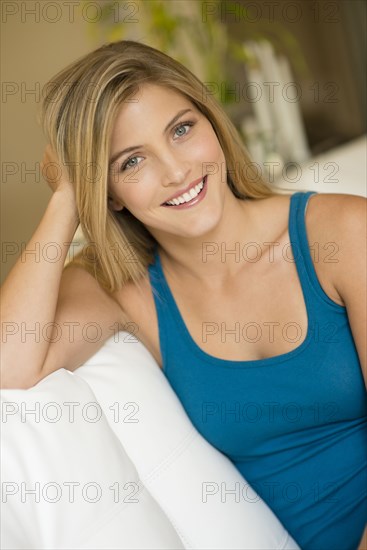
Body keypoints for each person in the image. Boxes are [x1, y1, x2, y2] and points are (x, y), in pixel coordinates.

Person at [1, 40, 366, 549]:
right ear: (107, 194)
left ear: (212, 123)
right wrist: (66, 197)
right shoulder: (127, 292)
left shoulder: (344, 233)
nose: (176, 171)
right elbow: (8, 366)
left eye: (181, 129)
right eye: (131, 162)